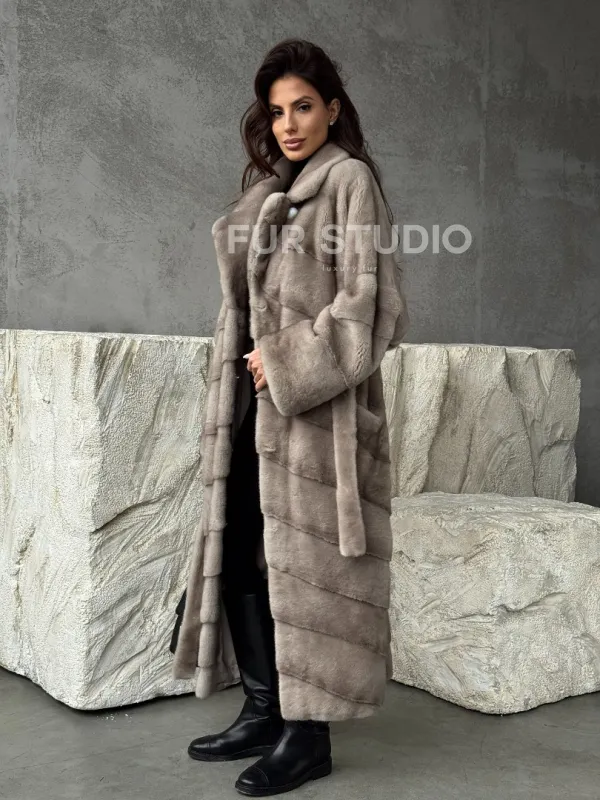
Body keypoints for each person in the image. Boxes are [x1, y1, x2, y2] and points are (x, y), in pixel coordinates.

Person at [170, 37, 410, 796]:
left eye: (303, 107)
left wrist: (286, 359)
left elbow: (372, 306)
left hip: (315, 417)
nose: (289, 124)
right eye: (277, 112)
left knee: (307, 568)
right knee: (244, 544)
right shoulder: (276, 192)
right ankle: (264, 708)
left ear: (332, 109)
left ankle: (308, 737)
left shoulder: (349, 182)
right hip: (252, 409)